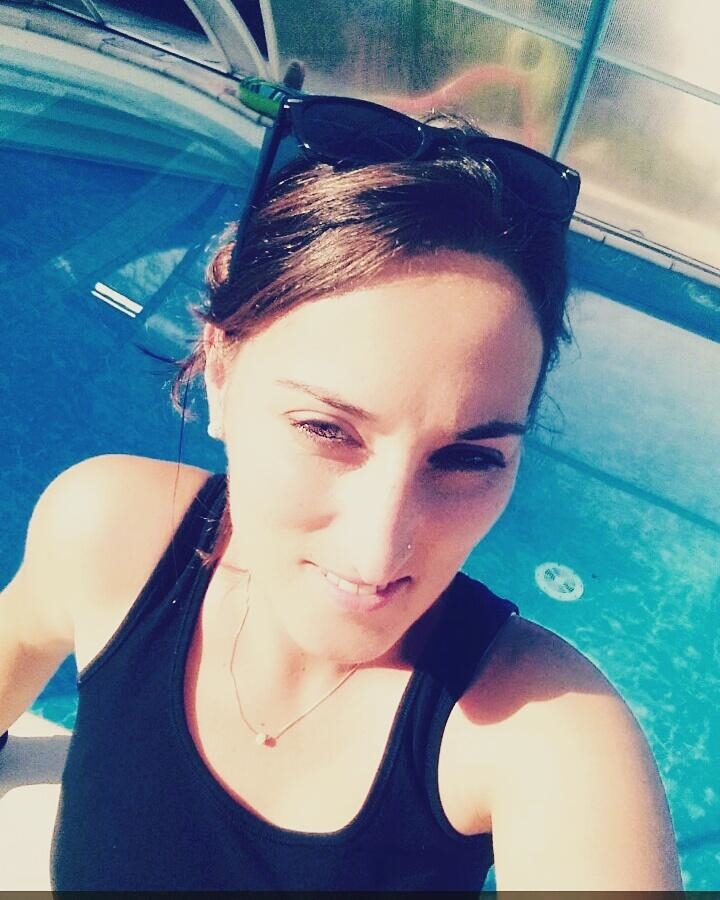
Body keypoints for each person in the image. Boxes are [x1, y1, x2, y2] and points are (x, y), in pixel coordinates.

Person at [0, 87, 681, 891]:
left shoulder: (547, 734)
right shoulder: (108, 535)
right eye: (327, 429)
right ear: (220, 373)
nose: (378, 549)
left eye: (467, 459)